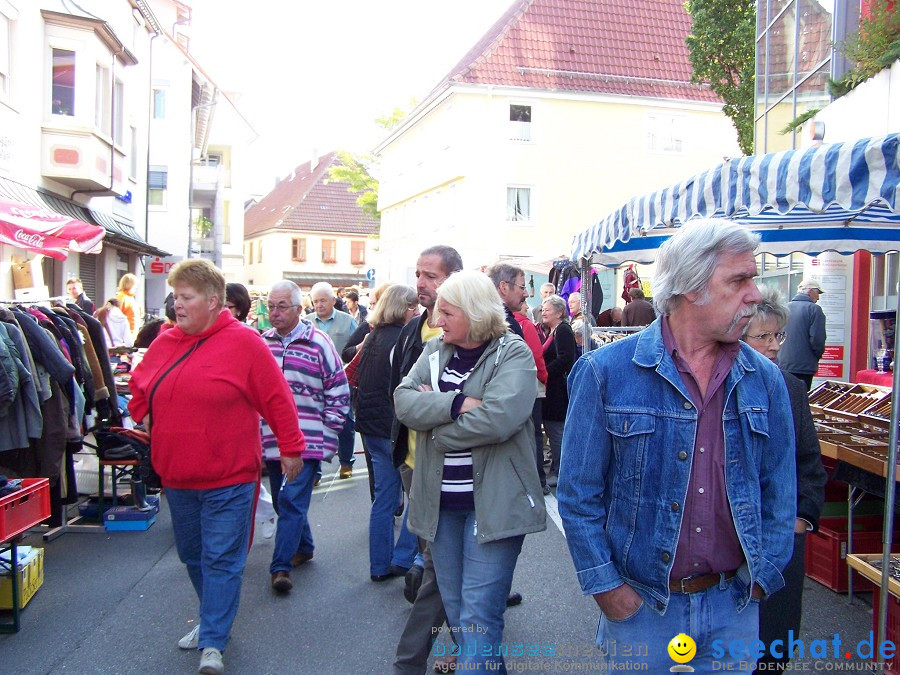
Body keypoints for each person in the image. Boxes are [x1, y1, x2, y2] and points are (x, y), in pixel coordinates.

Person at [557, 219, 796, 672]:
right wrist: (607, 589)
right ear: (690, 287)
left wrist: (763, 577)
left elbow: (779, 491)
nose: (756, 293)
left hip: (734, 606)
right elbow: (577, 495)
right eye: (740, 279)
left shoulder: (765, 380)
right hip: (644, 609)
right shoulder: (605, 373)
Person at [128, 259, 304, 675]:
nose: (177, 305)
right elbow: (140, 389)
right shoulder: (165, 342)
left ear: (212, 301)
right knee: (193, 556)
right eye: (175, 297)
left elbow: (277, 399)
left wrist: (292, 447)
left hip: (231, 477)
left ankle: (213, 642)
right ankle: (212, 619)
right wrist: (143, 412)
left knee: (222, 559)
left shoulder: (245, 343)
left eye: (186, 297)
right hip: (178, 476)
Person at [394, 270, 546, 674]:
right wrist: (458, 403)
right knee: (463, 617)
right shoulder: (433, 352)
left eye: (446, 311)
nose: (436, 319)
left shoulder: (512, 353)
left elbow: (499, 419)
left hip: (493, 508)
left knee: (478, 620)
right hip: (441, 507)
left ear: (474, 313)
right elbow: (404, 403)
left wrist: (437, 431)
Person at [742, 285, 826, 671]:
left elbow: (810, 461)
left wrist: (801, 518)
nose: (775, 345)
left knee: (775, 641)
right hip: (734, 534)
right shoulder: (722, 387)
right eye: (764, 336)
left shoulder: (792, 388)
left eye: (778, 335)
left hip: (782, 533)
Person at [391, 244, 464, 675]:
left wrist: (435, 404)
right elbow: (401, 398)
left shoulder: (474, 334)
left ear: (454, 279)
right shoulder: (413, 328)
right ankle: (465, 645)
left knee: (440, 572)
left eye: (431, 276)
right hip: (414, 467)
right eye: (418, 274)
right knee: (442, 571)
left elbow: (484, 412)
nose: (421, 283)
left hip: (453, 471)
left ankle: (411, 660)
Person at [260, 280, 350, 593]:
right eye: (271, 306)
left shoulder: (319, 343)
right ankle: (305, 546)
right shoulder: (263, 344)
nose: (275, 313)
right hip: (272, 442)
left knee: (290, 499)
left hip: (308, 442)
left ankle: (280, 567)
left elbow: (339, 390)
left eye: (282, 306)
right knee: (287, 503)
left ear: (300, 309)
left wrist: (328, 433)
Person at [354, 284, 420, 581]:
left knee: (384, 497)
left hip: (369, 426)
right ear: (403, 308)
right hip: (391, 427)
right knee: (416, 494)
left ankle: (379, 566)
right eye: (413, 307)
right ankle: (403, 557)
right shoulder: (402, 339)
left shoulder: (371, 338)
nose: (418, 311)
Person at [487, 263, 550, 496]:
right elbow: (528, 364)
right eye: (522, 287)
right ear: (504, 286)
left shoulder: (492, 317)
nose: (525, 293)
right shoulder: (503, 322)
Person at [310, 281, 358, 478]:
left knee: (345, 424)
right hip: (313, 383)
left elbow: (357, 349)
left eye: (323, 300)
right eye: (315, 301)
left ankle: (346, 462)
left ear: (332, 300)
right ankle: (315, 471)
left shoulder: (348, 322)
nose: (319, 305)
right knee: (314, 426)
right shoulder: (305, 322)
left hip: (341, 382)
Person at [540, 294, 576, 488]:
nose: (543, 311)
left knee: (556, 432)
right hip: (551, 388)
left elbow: (565, 358)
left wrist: (545, 372)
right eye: (543, 308)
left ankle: (561, 471)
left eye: (548, 309)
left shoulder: (562, 330)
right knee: (554, 431)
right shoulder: (552, 330)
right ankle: (557, 467)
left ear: (559, 312)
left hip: (557, 391)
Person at [779, 278, 827, 390]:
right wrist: (817, 355)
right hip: (804, 366)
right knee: (801, 400)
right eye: (817, 293)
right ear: (810, 291)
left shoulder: (784, 308)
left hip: (783, 364)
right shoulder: (814, 309)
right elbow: (817, 339)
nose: (818, 297)